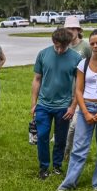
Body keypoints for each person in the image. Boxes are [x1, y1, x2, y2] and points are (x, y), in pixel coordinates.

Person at [57, 29, 97, 191]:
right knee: (79, 147)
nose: (95, 46)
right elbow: (78, 91)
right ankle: (68, 183)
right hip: (86, 106)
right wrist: (85, 112)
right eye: (92, 43)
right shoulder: (83, 63)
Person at [30, 27, 81, 179]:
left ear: (69, 44)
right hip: (44, 105)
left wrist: (73, 106)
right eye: (57, 46)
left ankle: (57, 166)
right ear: (53, 42)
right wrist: (34, 104)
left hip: (64, 106)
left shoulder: (76, 58)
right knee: (43, 135)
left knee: (60, 139)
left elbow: (79, 85)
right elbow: (37, 79)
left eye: (63, 47)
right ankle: (44, 167)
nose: (60, 50)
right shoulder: (43, 54)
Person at [62, 15, 91, 153]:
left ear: (78, 30)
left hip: (81, 90)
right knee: (64, 119)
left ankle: (69, 150)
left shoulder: (85, 47)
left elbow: (94, 65)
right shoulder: (63, 46)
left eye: (74, 28)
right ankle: (62, 144)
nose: (71, 31)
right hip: (64, 89)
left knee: (74, 124)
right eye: (68, 28)